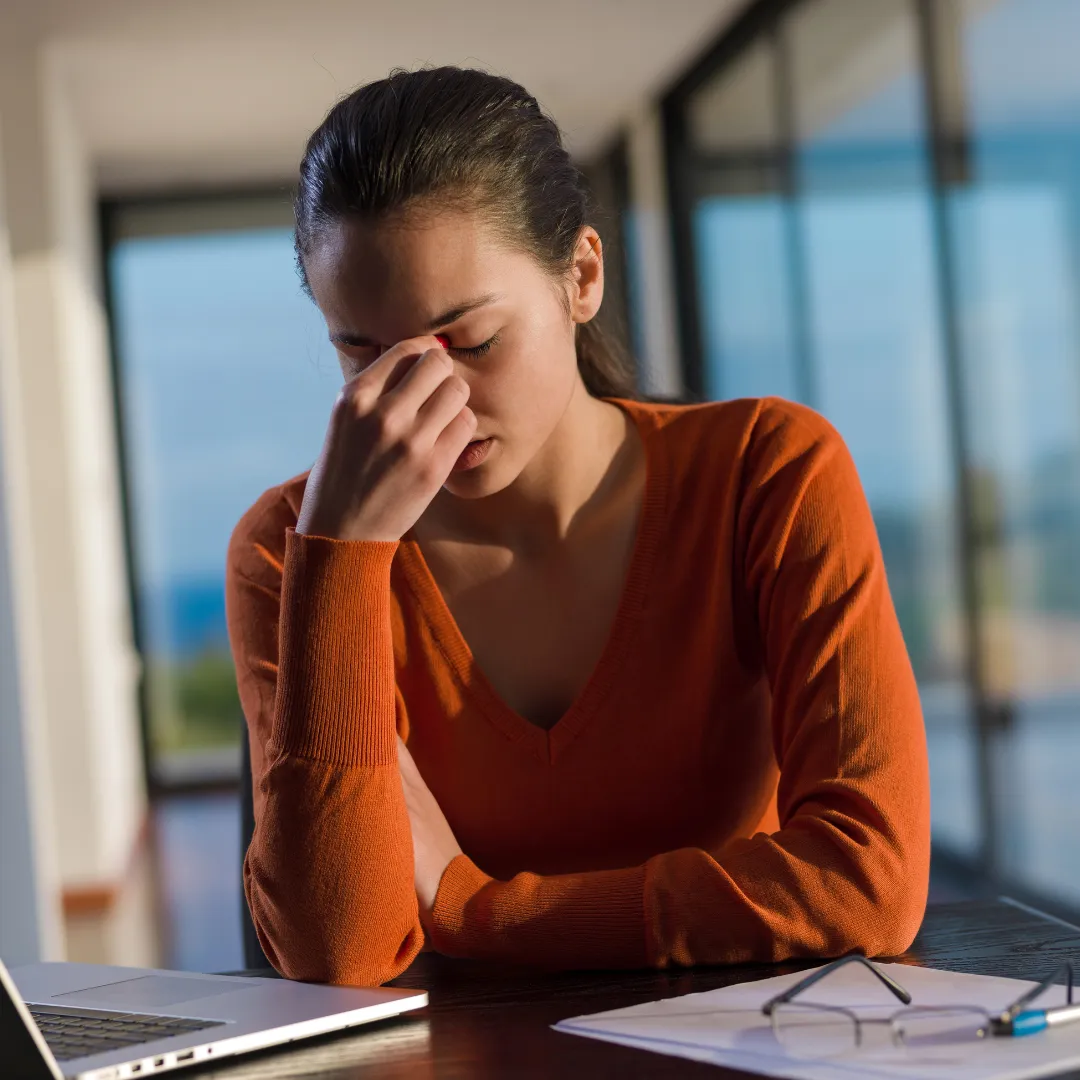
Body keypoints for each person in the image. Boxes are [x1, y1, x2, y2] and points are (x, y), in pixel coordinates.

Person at [225, 66, 930, 988]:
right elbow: (339, 947)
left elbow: (866, 882)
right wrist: (342, 559)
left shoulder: (769, 472)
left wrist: (476, 910)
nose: (421, 400)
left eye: (470, 343)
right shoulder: (291, 548)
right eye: (363, 354)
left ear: (581, 276)